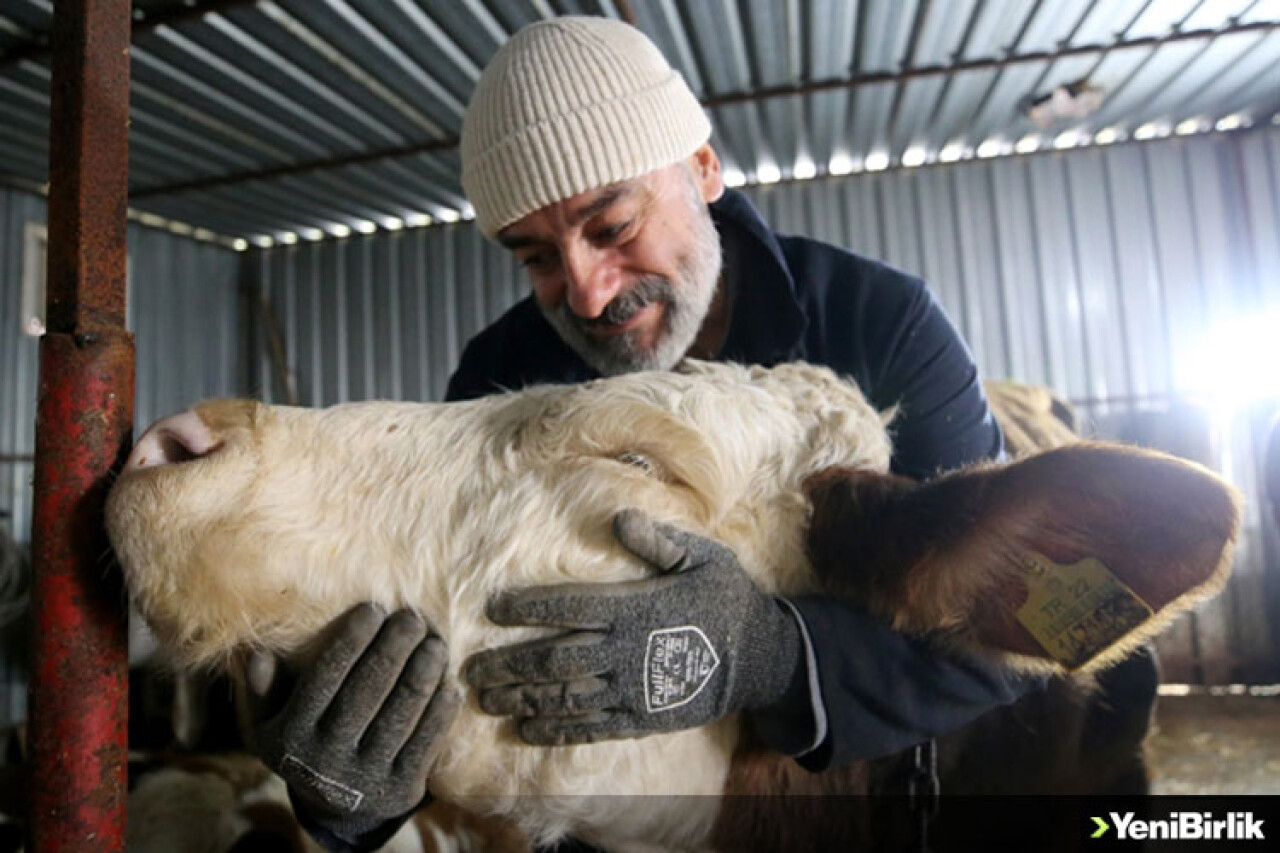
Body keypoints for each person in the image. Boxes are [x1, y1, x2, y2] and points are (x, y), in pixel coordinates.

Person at [244, 16, 1037, 852]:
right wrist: (357, 802)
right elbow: (456, 646)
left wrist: (771, 653)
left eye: (613, 226)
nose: (585, 295)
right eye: (536, 257)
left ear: (703, 168)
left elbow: (997, 641)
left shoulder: (880, 325)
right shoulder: (501, 374)